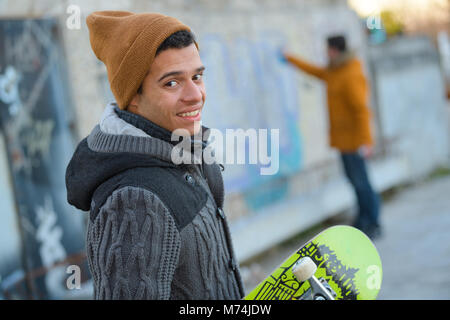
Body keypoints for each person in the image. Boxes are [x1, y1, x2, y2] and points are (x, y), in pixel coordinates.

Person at [65, 11, 244, 299]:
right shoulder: (133, 200)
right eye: (172, 83)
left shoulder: (186, 150)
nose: (195, 94)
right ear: (133, 97)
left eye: (197, 76)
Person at [282, 35, 382, 239]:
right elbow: (315, 71)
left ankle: (373, 222)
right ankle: (363, 219)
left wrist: (367, 142)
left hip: (355, 142)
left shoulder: (351, 73)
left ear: (335, 50)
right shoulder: (334, 70)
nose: (325, 53)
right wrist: (290, 59)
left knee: (362, 183)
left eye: (327, 49)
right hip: (343, 142)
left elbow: (362, 110)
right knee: (354, 181)